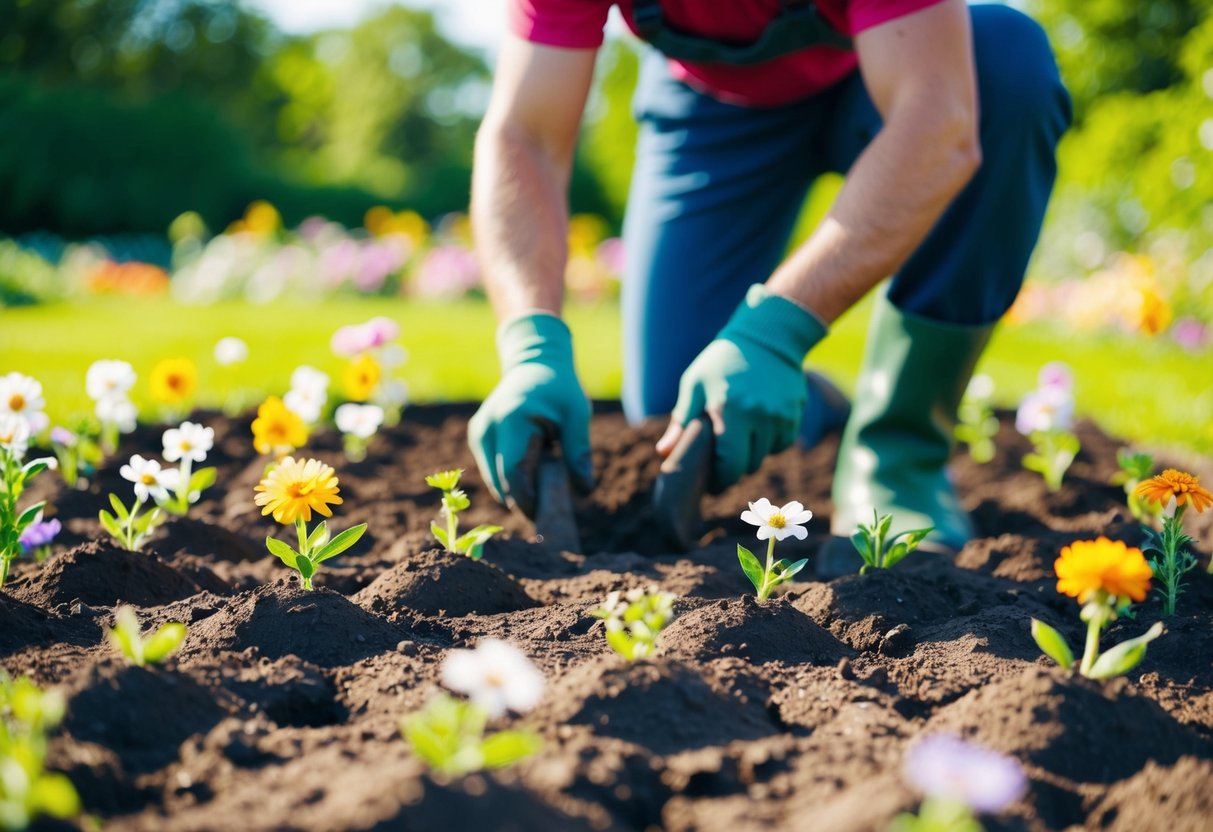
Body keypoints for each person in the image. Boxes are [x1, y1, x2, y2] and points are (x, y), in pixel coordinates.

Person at [467, 0, 1071, 572]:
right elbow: (526, 137)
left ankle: (900, 455)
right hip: (711, 107)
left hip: (902, 69)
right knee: (677, 409)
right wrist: (532, 346)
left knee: (1007, 66)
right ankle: (822, 407)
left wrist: (776, 334)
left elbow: (939, 119)